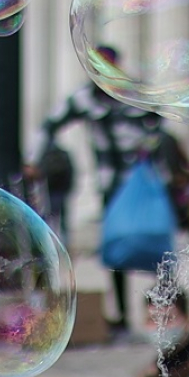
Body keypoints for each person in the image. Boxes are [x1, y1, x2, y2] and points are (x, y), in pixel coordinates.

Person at [27, 46, 154, 339]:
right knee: (118, 251)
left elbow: (157, 127)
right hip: (112, 186)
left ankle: (165, 309)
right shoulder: (87, 97)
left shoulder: (133, 94)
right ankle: (123, 315)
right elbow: (49, 126)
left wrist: (150, 152)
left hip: (142, 185)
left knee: (154, 244)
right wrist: (34, 159)